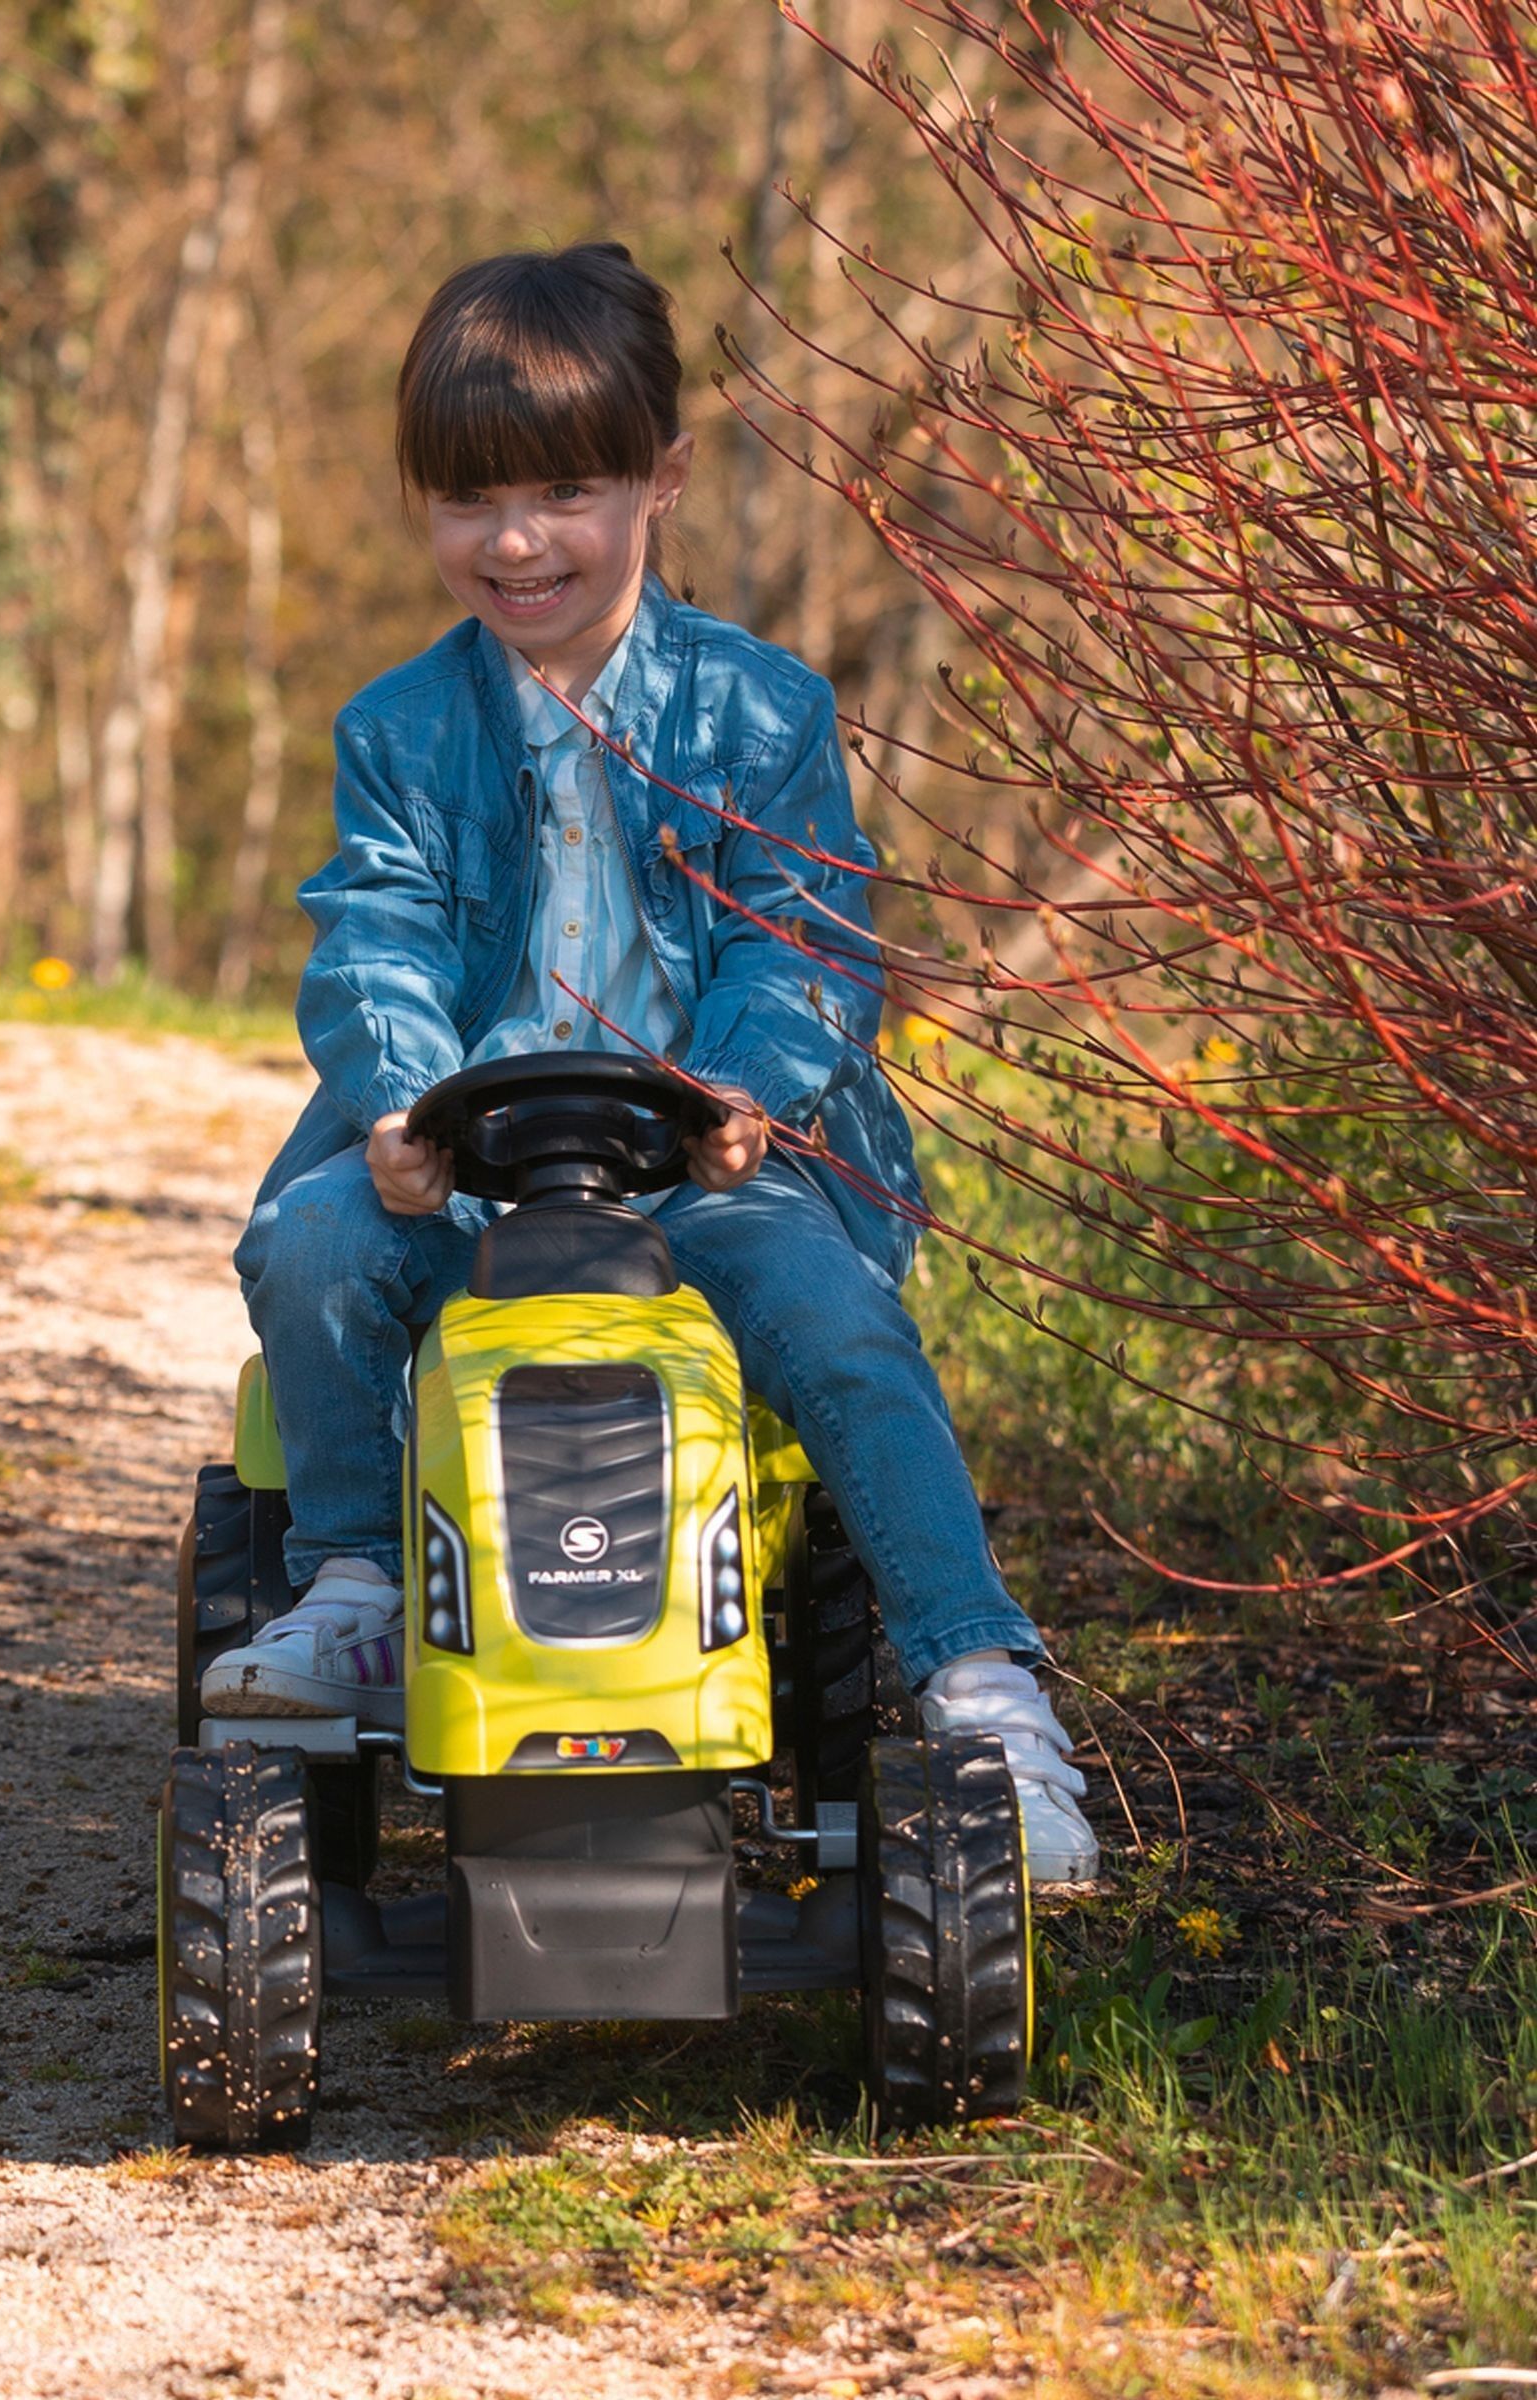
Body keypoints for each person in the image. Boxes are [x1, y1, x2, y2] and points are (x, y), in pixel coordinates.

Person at [204, 241, 1097, 1883]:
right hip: (473, 1171)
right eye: (470, 500)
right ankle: (350, 1587)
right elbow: (379, 930)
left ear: (662, 480)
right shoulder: (399, 732)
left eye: (565, 489)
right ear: (423, 505)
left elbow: (803, 934)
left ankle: (981, 1683)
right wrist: (401, 1102)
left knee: (830, 1312)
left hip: (705, 1167)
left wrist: (750, 1093)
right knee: (314, 1241)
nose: (518, 539)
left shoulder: (760, 713)